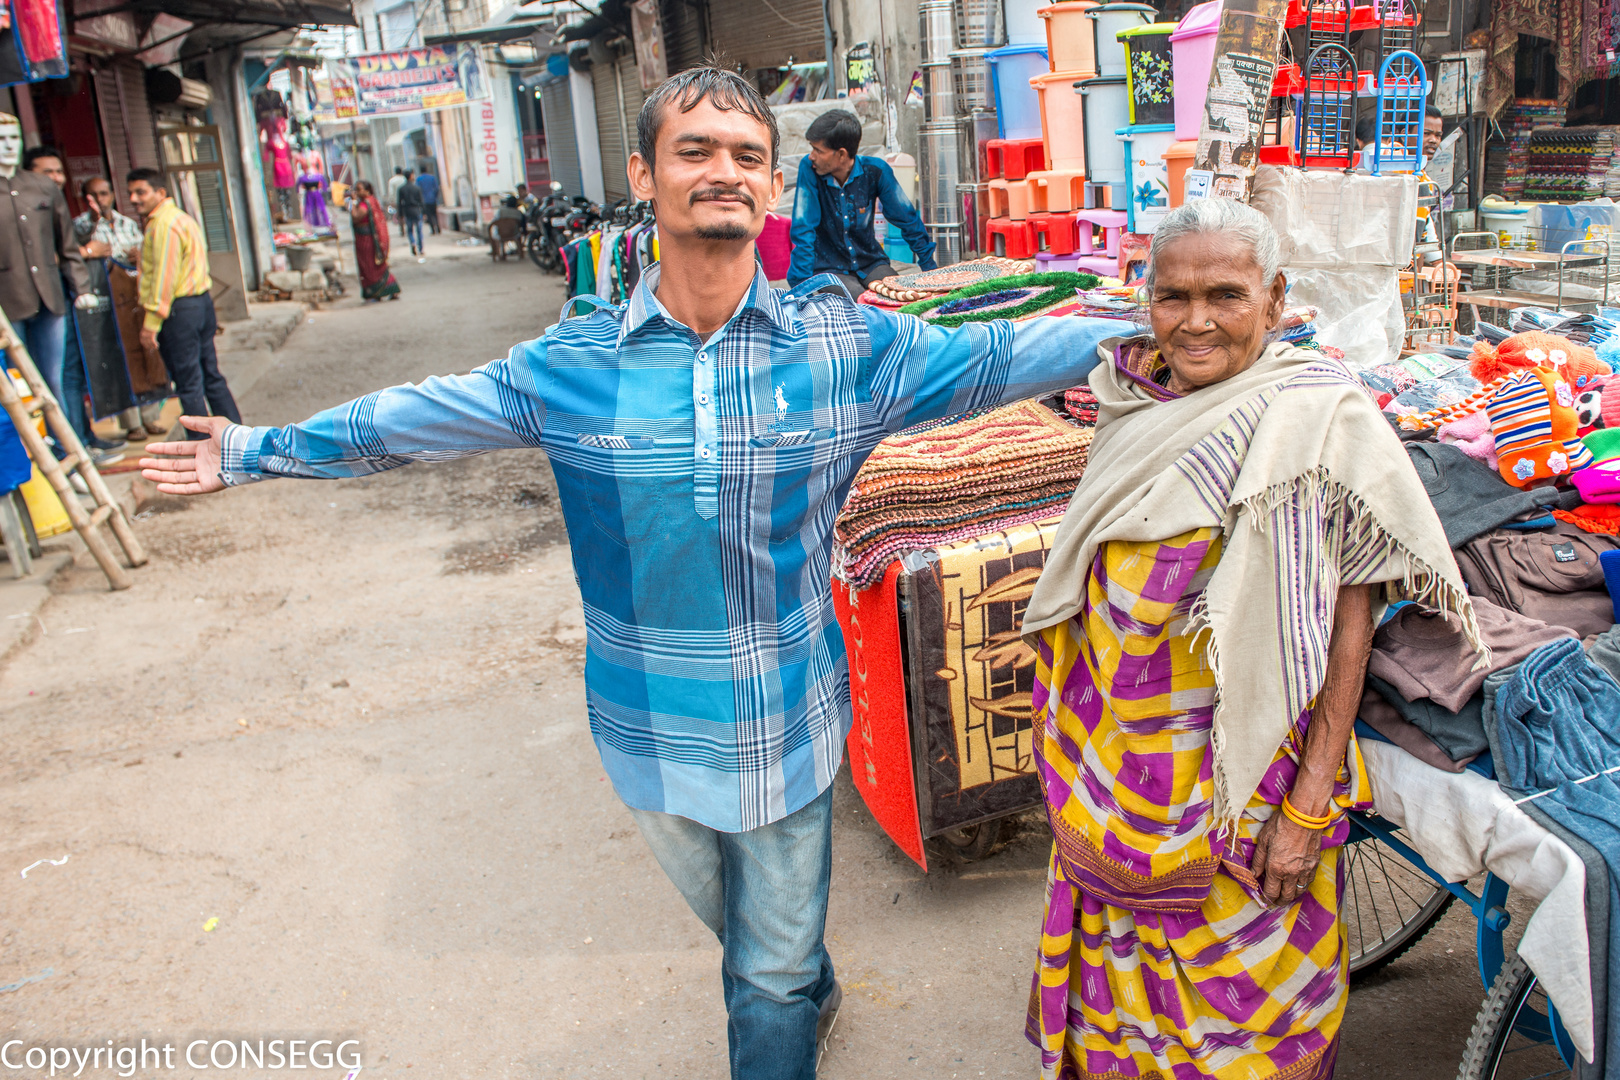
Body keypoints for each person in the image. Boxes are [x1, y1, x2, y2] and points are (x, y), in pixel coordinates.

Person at [139, 65, 1122, 1080]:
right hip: (646, 721)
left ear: (775, 188)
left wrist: (1161, 333)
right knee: (748, 935)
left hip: (787, 715)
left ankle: (792, 997)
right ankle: (806, 980)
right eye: (694, 151)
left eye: (747, 156)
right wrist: (253, 451)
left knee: (764, 977)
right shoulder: (574, 365)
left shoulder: (845, 346)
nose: (724, 172)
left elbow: (1009, 351)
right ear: (643, 175)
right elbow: (409, 421)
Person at [1019, 198, 1479, 1080]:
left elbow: (1353, 621)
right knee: (1126, 996)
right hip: (1113, 764)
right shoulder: (1128, 400)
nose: (1196, 321)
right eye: (1172, 295)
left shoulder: (1318, 415)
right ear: (1144, 299)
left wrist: (1309, 804)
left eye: (1225, 295)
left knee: (1251, 1024)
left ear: (1275, 300)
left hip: (1251, 787)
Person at [0, 120, 98, 465]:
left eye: (13, 138)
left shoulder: (41, 187)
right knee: (16, 390)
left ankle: (71, 459)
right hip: (7, 305)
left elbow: (67, 245)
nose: (9, 145)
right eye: (1, 139)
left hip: (49, 299)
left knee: (51, 385)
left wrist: (80, 288)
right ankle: (32, 465)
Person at [24, 145, 123, 460]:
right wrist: (88, 251)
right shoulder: (24, 208)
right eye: (46, 172)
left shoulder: (55, 206)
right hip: (42, 305)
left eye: (58, 171)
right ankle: (73, 446)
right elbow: (40, 258)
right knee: (57, 376)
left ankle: (85, 436)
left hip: (68, 299)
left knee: (74, 374)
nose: (56, 178)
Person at [128, 168, 241, 440]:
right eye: (131, 192)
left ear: (160, 192)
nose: (134, 198)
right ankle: (237, 435)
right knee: (209, 373)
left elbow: (164, 280)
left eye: (140, 192)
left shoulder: (164, 225)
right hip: (199, 305)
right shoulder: (179, 218)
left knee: (189, 382)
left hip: (180, 310)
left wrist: (151, 324)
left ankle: (201, 445)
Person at [787, 108, 935, 296]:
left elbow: (907, 218)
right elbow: (804, 228)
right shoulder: (809, 170)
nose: (811, 155)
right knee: (860, 304)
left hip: (871, 263)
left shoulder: (876, 171)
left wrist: (930, 269)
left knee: (898, 298)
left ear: (841, 154)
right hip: (829, 268)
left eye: (818, 150)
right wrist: (801, 289)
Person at [75, 175, 167, 441]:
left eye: (105, 194)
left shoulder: (128, 223)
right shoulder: (81, 226)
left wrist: (138, 255)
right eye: (95, 195)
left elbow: (144, 253)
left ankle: (150, 417)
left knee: (145, 353)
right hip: (106, 300)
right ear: (86, 199)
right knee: (120, 357)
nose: (101, 200)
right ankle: (131, 423)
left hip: (134, 296)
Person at [346, 180, 400, 302]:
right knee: (377, 266)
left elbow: (356, 217)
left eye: (359, 189)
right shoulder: (372, 201)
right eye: (356, 189)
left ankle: (378, 291)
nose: (357, 192)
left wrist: (352, 203)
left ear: (367, 190)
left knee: (371, 267)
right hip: (368, 239)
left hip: (367, 241)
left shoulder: (365, 204)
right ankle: (386, 291)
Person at [397, 170, 425, 257]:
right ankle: (421, 249)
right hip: (416, 210)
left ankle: (413, 243)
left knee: (409, 230)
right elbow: (421, 201)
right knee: (419, 230)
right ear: (411, 176)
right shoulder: (416, 188)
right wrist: (423, 212)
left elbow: (399, 203)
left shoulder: (401, 188)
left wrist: (400, 214)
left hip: (407, 210)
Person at [415, 168, 440, 234]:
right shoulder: (432, 178)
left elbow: (418, 190)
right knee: (435, 214)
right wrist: (435, 196)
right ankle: (438, 228)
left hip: (425, 201)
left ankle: (433, 230)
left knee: (429, 215)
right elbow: (437, 188)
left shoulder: (419, 179)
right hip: (433, 199)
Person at [385, 166, 406, 235]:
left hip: (397, 201)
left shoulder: (392, 181)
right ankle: (408, 228)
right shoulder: (405, 179)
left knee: (400, 215)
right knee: (407, 214)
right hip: (406, 200)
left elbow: (391, 192)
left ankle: (402, 229)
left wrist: (391, 201)